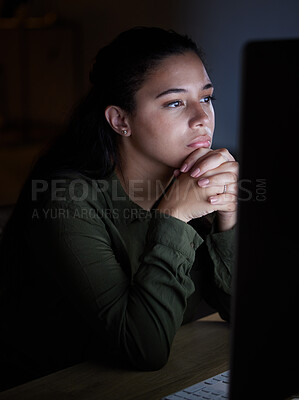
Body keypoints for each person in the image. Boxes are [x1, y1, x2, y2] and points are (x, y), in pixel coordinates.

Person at [0, 26, 238, 390]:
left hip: (170, 378)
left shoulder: (197, 176)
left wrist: (229, 216)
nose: (202, 118)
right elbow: (144, 349)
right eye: (175, 102)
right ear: (120, 120)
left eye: (206, 98)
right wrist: (173, 216)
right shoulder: (67, 199)